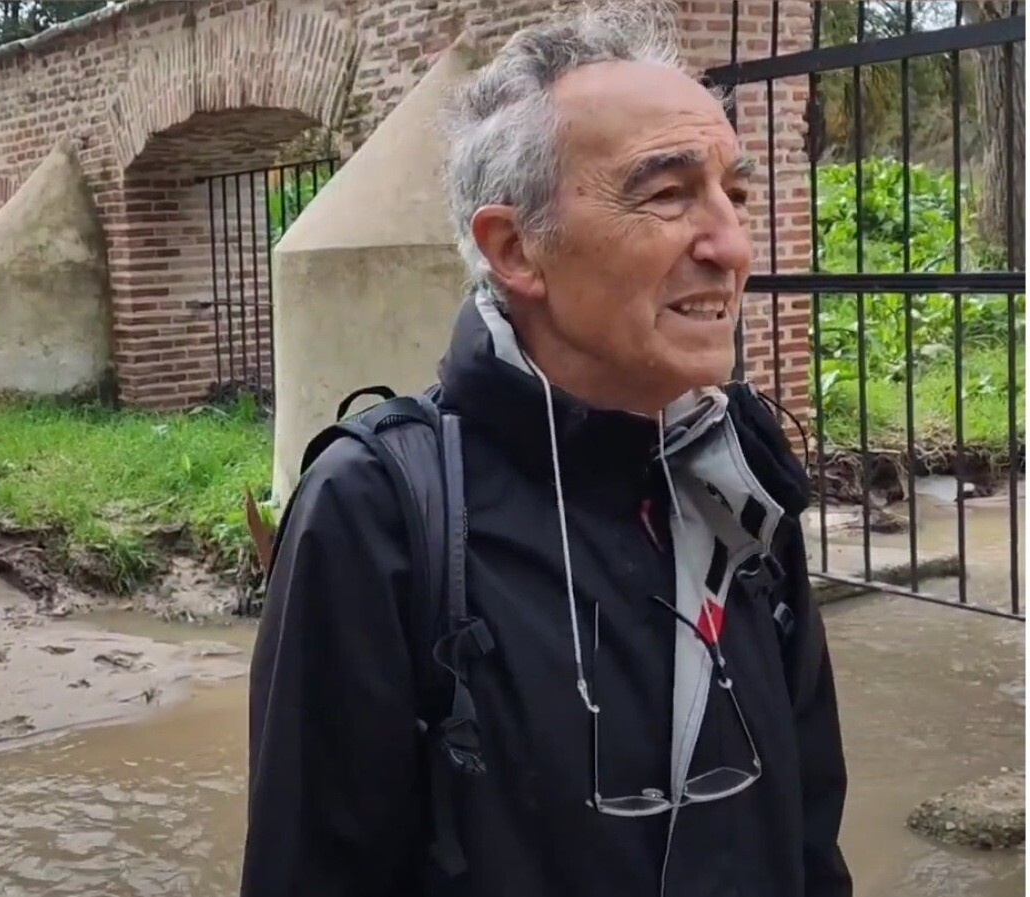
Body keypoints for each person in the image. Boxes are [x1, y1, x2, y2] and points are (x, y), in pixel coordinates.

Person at [239, 3, 854, 896]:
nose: (730, 244)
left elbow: (811, 846)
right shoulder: (377, 514)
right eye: (669, 194)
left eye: (737, 193)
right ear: (515, 247)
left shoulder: (741, 484)